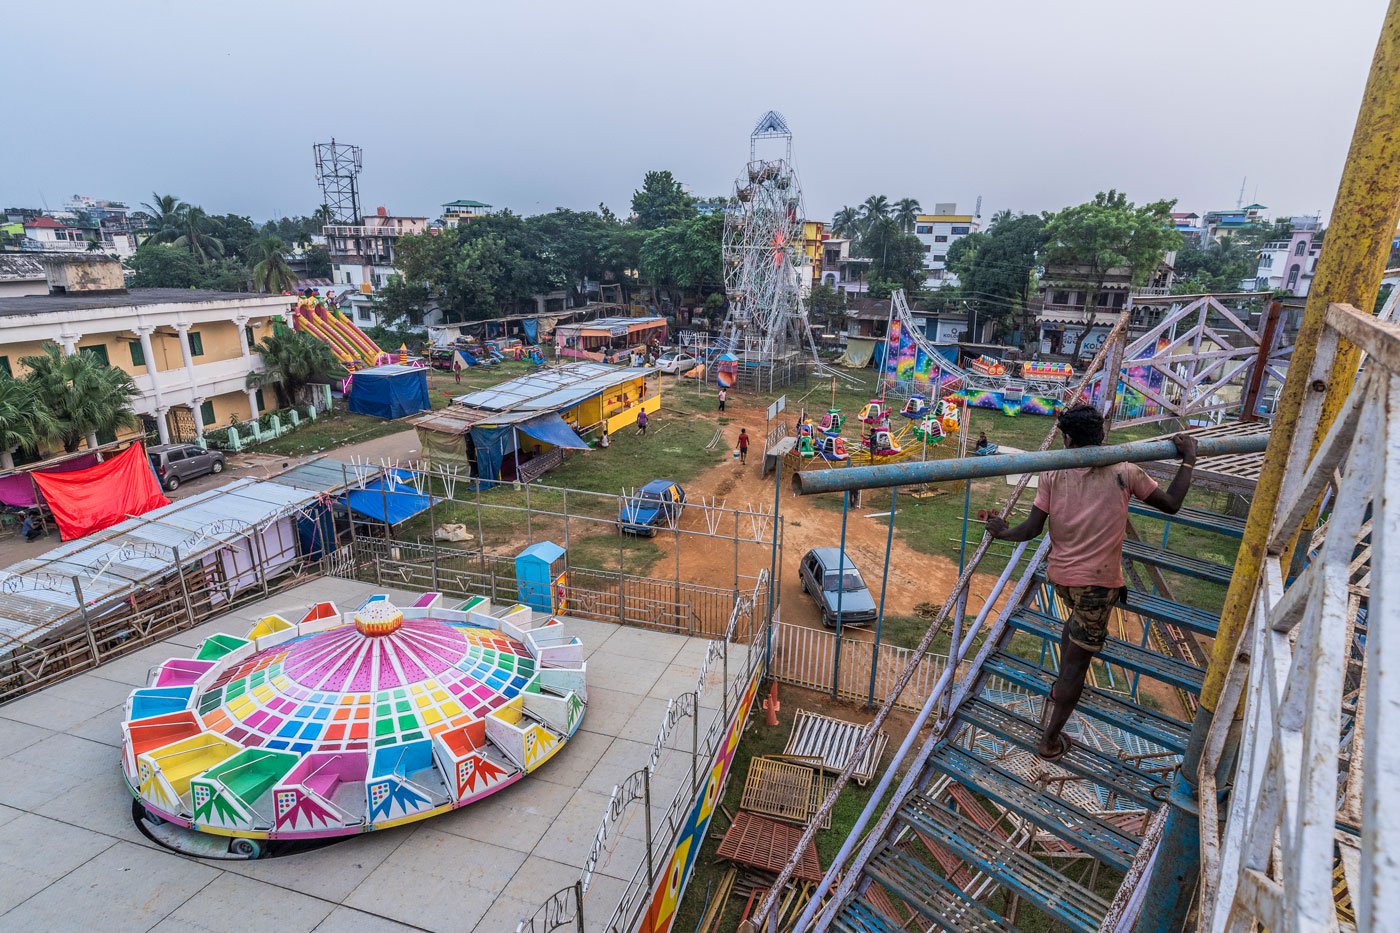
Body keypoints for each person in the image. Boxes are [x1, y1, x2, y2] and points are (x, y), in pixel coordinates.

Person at [986, 404, 1197, 761]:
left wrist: (1003, 532)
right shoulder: (1125, 471)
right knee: (1076, 668)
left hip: (1063, 579)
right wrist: (1188, 459)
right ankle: (1050, 739)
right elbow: (1172, 504)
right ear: (1101, 436)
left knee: (1075, 629)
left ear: (1067, 439)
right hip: (1097, 586)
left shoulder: (1054, 472)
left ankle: (1058, 690)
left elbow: (1033, 528)